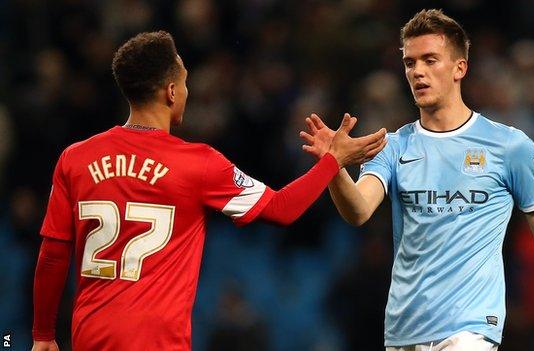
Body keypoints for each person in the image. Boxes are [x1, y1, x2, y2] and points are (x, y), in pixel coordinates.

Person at [31, 31, 387, 351]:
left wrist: (43, 335)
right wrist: (332, 161)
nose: (186, 91)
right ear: (172, 92)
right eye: (184, 83)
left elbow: (52, 254)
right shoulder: (198, 163)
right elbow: (281, 209)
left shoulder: (75, 158)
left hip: (91, 339)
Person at [300, 9, 534, 351]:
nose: (418, 72)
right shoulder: (393, 146)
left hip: (471, 328)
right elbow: (358, 211)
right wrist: (334, 165)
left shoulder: (508, 146)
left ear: (460, 68)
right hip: (404, 329)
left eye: (430, 60)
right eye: (410, 63)